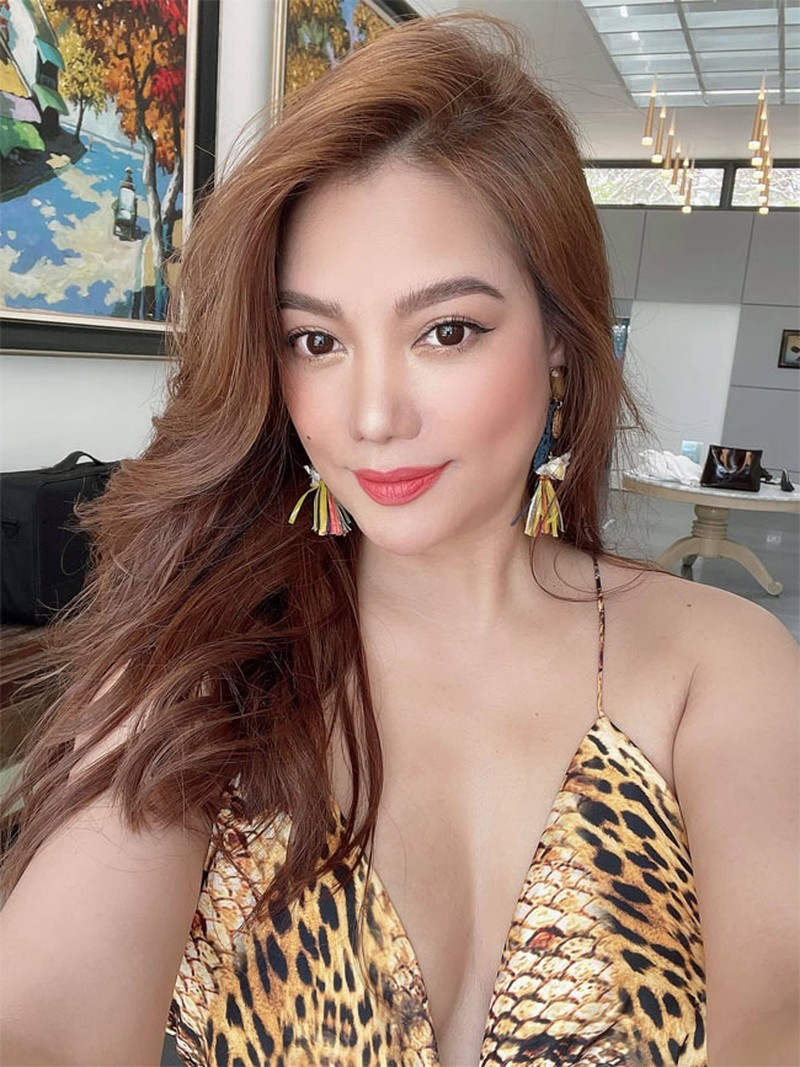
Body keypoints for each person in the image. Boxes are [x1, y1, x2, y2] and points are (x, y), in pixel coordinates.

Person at [1, 13, 797, 1067]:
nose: (372, 416)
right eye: (316, 340)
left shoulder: (720, 662)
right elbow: (43, 1026)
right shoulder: (207, 660)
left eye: (446, 330)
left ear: (560, 340)